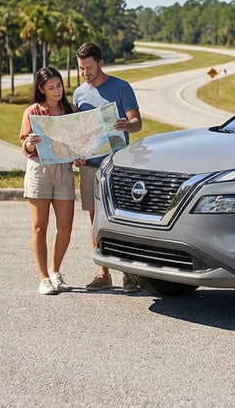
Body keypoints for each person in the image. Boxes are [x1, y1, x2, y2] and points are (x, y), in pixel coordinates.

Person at [72, 42, 142, 293]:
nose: (85, 73)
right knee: (95, 221)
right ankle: (103, 273)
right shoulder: (79, 93)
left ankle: (128, 275)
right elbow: (79, 132)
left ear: (101, 63)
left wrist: (126, 125)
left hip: (116, 166)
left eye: (89, 68)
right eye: (81, 68)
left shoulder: (121, 87)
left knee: (120, 219)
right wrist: (76, 154)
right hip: (89, 166)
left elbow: (137, 123)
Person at [19, 66, 78, 296]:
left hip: (64, 170)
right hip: (39, 170)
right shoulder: (32, 111)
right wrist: (30, 143)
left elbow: (78, 143)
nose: (57, 91)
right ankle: (43, 278)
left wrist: (79, 155)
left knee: (65, 227)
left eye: (59, 86)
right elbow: (25, 147)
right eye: (51, 87)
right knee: (39, 226)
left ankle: (55, 272)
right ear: (41, 89)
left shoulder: (71, 111)